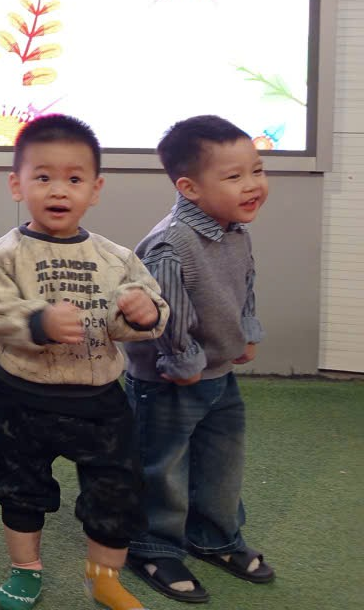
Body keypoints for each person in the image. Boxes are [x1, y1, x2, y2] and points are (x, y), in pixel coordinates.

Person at [0, 113, 168, 610]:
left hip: (99, 400)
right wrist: (38, 322)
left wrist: (144, 313)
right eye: (43, 177)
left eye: (75, 179)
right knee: (19, 487)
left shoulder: (116, 257)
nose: (59, 190)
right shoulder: (2, 256)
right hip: (22, 397)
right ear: (17, 184)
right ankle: (25, 570)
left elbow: (144, 306)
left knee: (116, 488)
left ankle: (104, 578)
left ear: (95, 189)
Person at [123, 115, 275, 603]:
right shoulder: (173, 243)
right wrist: (184, 362)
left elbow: (245, 283)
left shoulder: (234, 229)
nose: (252, 185)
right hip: (170, 379)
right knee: (163, 466)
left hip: (217, 372)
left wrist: (245, 332)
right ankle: (153, 546)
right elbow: (168, 314)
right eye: (234, 176)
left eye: (257, 170)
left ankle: (213, 535)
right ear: (189, 187)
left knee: (221, 458)